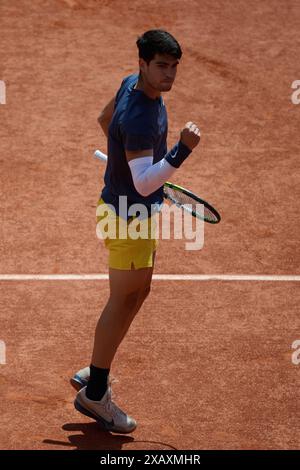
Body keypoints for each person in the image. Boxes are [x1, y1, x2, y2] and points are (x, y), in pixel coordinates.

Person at [72, 29, 201, 434]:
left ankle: (96, 366)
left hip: (131, 213)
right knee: (122, 300)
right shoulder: (143, 116)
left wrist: (120, 166)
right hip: (128, 216)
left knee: (138, 292)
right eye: (161, 66)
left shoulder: (132, 83)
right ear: (144, 63)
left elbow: (105, 120)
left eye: (174, 66)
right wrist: (181, 150)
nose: (169, 75)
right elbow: (145, 183)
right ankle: (95, 391)